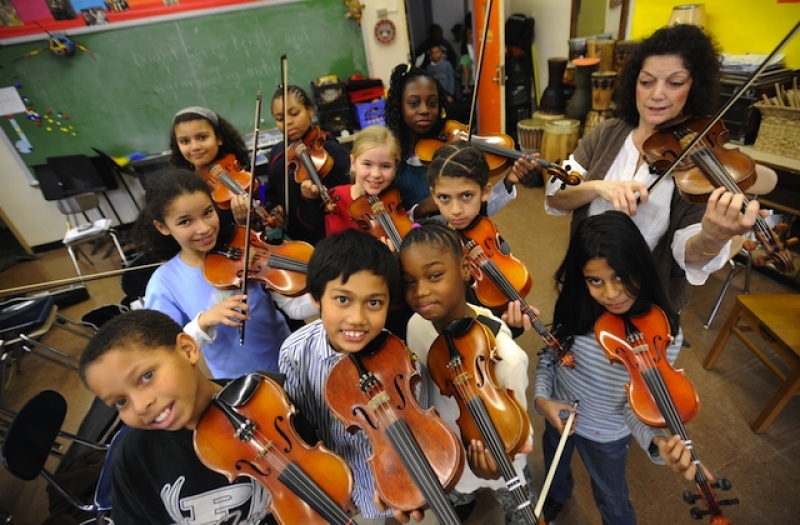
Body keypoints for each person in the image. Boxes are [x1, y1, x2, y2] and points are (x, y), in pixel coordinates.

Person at [538, 24, 776, 313]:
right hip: (589, 283)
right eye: (647, 81)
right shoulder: (608, 133)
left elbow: (687, 254)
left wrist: (711, 239)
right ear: (634, 84)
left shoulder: (698, 162)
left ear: (694, 87)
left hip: (647, 304)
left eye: (675, 83)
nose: (657, 94)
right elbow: (555, 196)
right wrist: (599, 187)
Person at [533, 211, 715, 524]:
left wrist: (658, 441)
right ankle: (556, 495)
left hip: (607, 436)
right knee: (554, 464)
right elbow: (550, 357)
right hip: (559, 417)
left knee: (612, 497)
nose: (611, 293)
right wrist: (542, 400)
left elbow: (638, 404)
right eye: (595, 281)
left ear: (640, 268)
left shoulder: (663, 333)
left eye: (620, 276)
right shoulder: (576, 309)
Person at [279, 229, 434, 523]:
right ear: (315, 297)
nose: (357, 318)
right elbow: (300, 431)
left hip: (383, 484)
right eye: (342, 299)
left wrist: (406, 483)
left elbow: (418, 428)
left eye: (374, 303)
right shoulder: (294, 352)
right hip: (332, 487)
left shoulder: (402, 361)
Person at [77, 309, 276, 524]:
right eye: (120, 402)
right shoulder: (132, 459)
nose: (142, 406)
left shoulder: (268, 398)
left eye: (147, 376)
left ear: (187, 349)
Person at [400, 221, 538, 524]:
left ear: (465, 269)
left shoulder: (506, 358)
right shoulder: (415, 325)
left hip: (502, 462)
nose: (421, 292)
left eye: (435, 276)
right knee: (458, 496)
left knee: (520, 511)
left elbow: (520, 431)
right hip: (449, 454)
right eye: (409, 282)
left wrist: (502, 462)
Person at [131, 168, 316, 378]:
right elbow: (168, 352)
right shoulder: (164, 283)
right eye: (185, 221)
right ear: (162, 227)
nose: (203, 228)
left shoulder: (243, 247)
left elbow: (291, 307)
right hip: (239, 385)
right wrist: (204, 322)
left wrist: (329, 298)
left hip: (293, 364)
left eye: (208, 213)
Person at [385, 63, 536, 219]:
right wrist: (422, 209)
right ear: (399, 106)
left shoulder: (452, 152)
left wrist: (508, 183)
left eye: (432, 103)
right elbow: (393, 222)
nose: (424, 110)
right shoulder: (389, 161)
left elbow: (479, 211)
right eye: (414, 103)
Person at [426, 141, 538, 337]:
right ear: (433, 196)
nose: (456, 210)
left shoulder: (493, 241)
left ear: (485, 192)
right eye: (444, 197)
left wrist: (513, 325)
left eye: (466, 195)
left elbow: (500, 318)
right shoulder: (429, 237)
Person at [265, 84, 351, 245]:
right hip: (294, 239)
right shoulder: (278, 152)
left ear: (309, 110)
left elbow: (346, 196)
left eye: (294, 113)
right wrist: (275, 209)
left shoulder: (329, 148)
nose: (288, 122)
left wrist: (316, 199)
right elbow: (271, 194)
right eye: (279, 118)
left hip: (328, 238)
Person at [168, 106, 257, 229]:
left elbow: (259, 230)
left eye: (202, 137)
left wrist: (244, 223)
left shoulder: (241, 176)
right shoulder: (180, 186)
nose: (194, 147)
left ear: (219, 138)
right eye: (184, 141)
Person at [325, 125, 402, 236]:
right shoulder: (334, 198)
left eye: (385, 166)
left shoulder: (395, 203)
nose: (376, 174)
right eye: (367, 164)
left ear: (395, 168)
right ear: (353, 163)